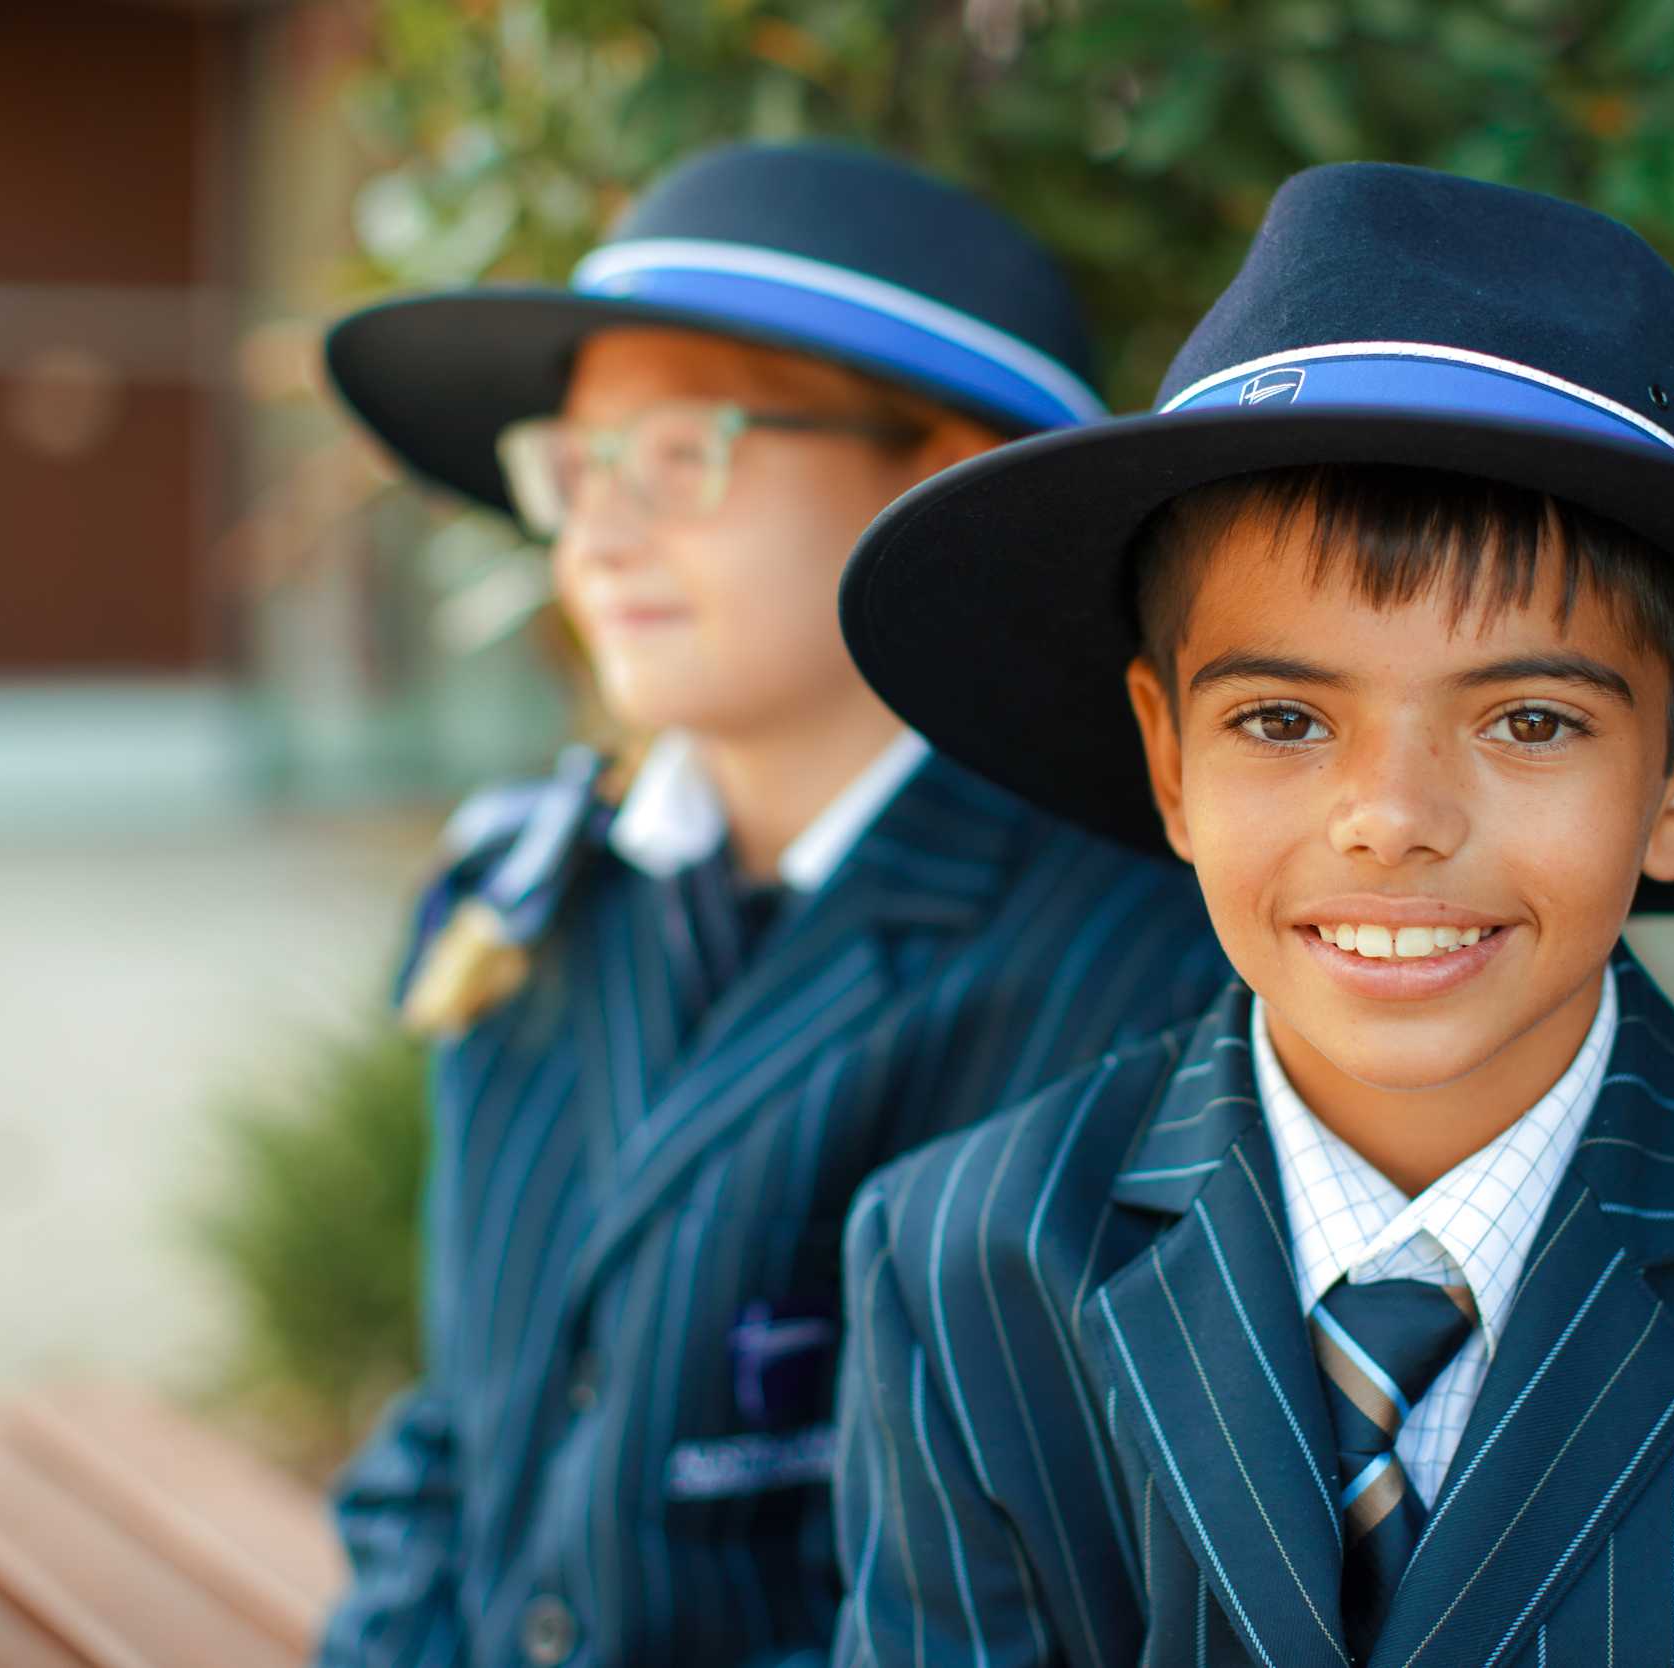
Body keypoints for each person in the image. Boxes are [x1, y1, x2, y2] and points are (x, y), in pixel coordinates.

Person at [826, 163, 1674, 1668]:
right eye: (1286, 721)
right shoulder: (967, 1258)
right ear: (1169, 762)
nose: (1396, 816)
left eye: (1533, 723)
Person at [313, 142, 1228, 1668]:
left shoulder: (1135, 963)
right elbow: (460, 1434)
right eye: (578, 468)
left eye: (683, 455)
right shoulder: (535, 895)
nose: (597, 537)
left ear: (941, 484)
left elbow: (1048, 1584)